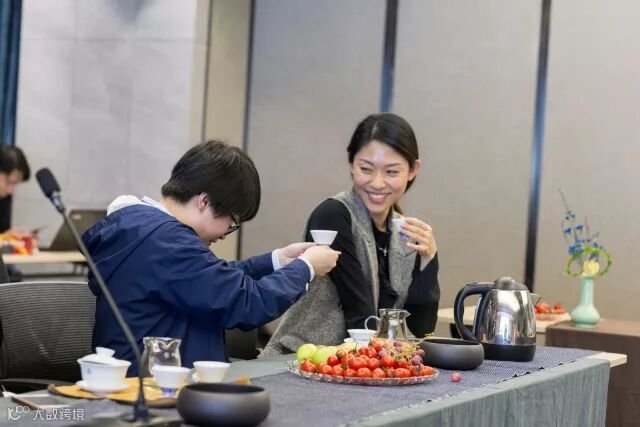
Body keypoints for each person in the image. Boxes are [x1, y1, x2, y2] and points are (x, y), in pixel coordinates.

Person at [82, 140, 340, 373]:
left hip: (153, 377)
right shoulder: (167, 240)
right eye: (232, 221)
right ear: (204, 201)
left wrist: (278, 261)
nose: (226, 233)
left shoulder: (147, 231)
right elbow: (246, 303)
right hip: (153, 388)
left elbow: (210, 278)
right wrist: (306, 267)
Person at [262, 113, 440, 355]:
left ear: (413, 170)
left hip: (366, 364)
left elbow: (420, 329)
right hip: (301, 360)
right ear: (351, 163)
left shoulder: (406, 232)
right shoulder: (333, 215)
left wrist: (429, 260)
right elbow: (360, 315)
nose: (377, 183)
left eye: (391, 172)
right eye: (366, 169)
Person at [0, 145, 31, 232]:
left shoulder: (4, 200)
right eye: (9, 182)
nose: (10, 191)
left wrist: (9, 236)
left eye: (14, 185)